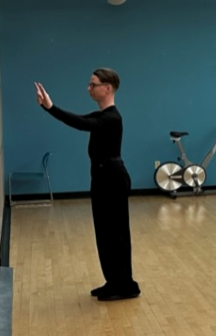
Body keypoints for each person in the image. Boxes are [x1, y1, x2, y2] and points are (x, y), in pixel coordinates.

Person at [34, 68, 141, 301]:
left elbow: (81, 123)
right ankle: (114, 281)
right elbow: (84, 120)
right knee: (105, 233)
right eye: (89, 84)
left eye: (93, 84)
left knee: (115, 233)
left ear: (108, 88)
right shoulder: (102, 115)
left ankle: (125, 285)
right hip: (103, 177)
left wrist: (50, 107)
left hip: (112, 178)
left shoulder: (112, 118)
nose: (89, 88)